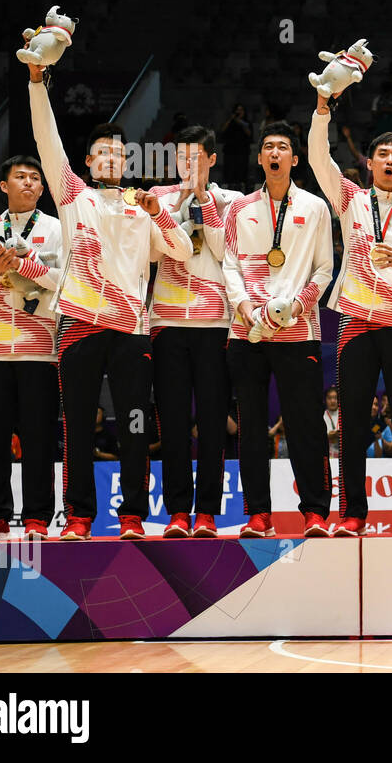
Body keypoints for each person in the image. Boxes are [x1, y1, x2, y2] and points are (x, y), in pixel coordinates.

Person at [28, 57, 192, 541]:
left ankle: (133, 516)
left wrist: (159, 213)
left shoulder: (144, 207)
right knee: (78, 425)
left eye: (119, 155)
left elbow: (181, 250)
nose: (112, 160)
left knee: (136, 428)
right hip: (79, 324)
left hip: (131, 331)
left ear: (128, 163)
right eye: (102, 153)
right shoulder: (72, 196)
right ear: (88, 162)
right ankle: (79, 517)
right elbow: (45, 138)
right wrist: (38, 81)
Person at [309, 95, 392, 537]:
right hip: (357, 322)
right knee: (353, 422)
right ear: (370, 163)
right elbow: (318, 158)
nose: (389, 161)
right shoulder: (351, 199)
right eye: (382, 154)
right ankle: (353, 514)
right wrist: (323, 108)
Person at [222, 121, 334, 538]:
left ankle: (316, 513)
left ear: (294, 158)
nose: (274, 153)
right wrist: (246, 307)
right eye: (268, 146)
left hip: (298, 333)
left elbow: (324, 268)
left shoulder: (316, 207)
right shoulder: (240, 209)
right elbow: (229, 266)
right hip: (246, 333)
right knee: (251, 426)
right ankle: (258, 515)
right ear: (259, 158)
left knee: (306, 424)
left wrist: (301, 305)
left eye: (283, 147)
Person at [0, 155, 63, 540]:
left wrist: (30, 267)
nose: (29, 183)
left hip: (40, 349)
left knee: (38, 436)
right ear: (4, 186)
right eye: (20, 177)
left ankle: (37, 519)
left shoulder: (56, 229)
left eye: (36, 178)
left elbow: (66, 283)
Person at [145, 126, 240, 539]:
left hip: (214, 321)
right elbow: (149, 253)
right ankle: (178, 512)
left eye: (197, 158)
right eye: (182, 158)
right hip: (166, 321)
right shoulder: (157, 197)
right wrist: (174, 207)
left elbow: (224, 252)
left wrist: (203, 201)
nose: (189, 166)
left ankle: (207, 513)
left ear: (212, 160)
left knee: (213, 420)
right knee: (173, 419)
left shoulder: (232, 201)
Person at [323, 387, 341, 459]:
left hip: (342, 456)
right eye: (329, 398)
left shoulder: (344, 415)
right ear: (325, 400)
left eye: (335, 398)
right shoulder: (322, 416)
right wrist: (328, 436)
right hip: (327, 455)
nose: (333, 401)